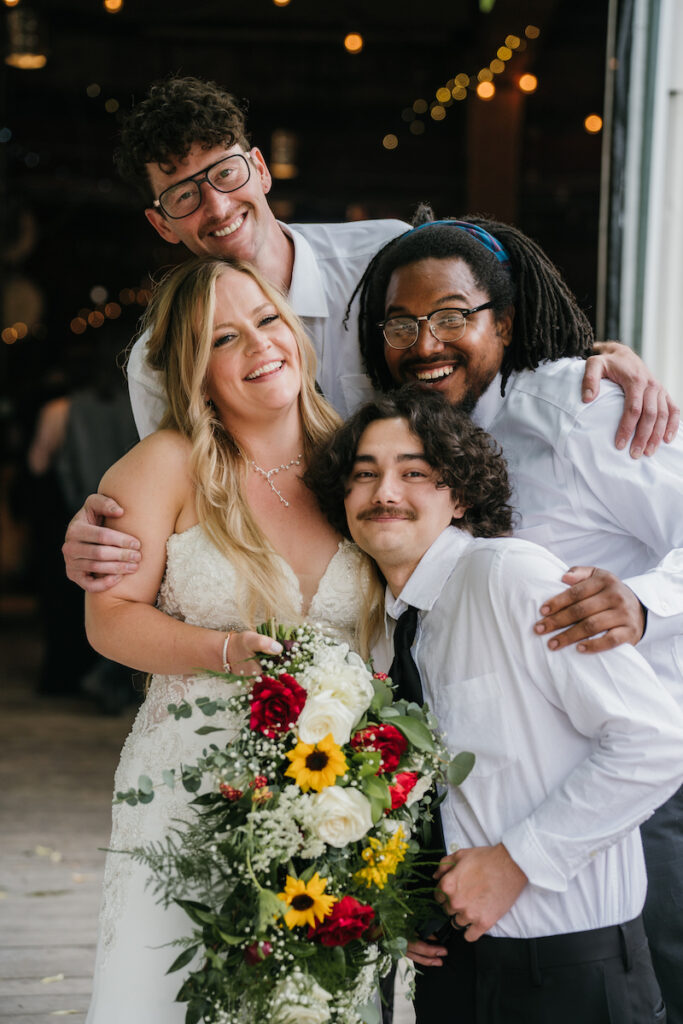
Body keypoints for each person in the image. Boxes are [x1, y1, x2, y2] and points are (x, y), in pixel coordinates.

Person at [62, 75, 678, 592]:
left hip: (443, 561)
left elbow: (483, 318)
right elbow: (180, 492)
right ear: (162, 223)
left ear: (258, 168)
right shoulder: (160, 356)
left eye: (224, 174)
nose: (217, 207)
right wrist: (106, 535)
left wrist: (590, 358)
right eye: (183, 196)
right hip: (299, 586)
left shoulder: (380, 254)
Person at [353, 211, 683, 1021]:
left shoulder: (580, 410)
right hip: (482, 816)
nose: (425, 343)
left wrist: (644, 604)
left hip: (626, 793)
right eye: (401, 322)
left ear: (501, 323)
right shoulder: (396, 446)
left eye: (453, 316)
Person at [82, 255, 375, 1022]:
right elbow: (109, 619)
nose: (258, 346)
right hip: (191, 779)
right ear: (191, 370)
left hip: (342, 786)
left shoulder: (362, 458)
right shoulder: (163, 466)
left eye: (267, 321)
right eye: (222, 339)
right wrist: (221, 651)